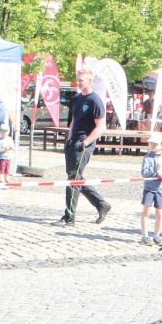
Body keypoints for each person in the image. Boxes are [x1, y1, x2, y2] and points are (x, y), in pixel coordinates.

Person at [51, 69, 111, 226]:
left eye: (81, 80)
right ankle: (101, 204)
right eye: (77, 79)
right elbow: (73, 122)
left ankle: (69, 217)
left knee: (73, 179)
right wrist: (70, 140)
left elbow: (100, 126)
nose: (78, 82)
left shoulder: (95, 101)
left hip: (84, 144)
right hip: (73, 142)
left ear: (89, 81)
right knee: (75, 178)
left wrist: (85, 142)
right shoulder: (77, 98)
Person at [138, 133, 162, 245]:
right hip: (149, 188)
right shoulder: (147, 158)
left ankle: (157, 235)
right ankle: (145, 235)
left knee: (160, 213)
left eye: (155, 144)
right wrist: (156, 171)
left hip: (161, 189)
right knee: (146, 212)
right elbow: (144, 173)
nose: (152, 146)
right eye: (151, 143)